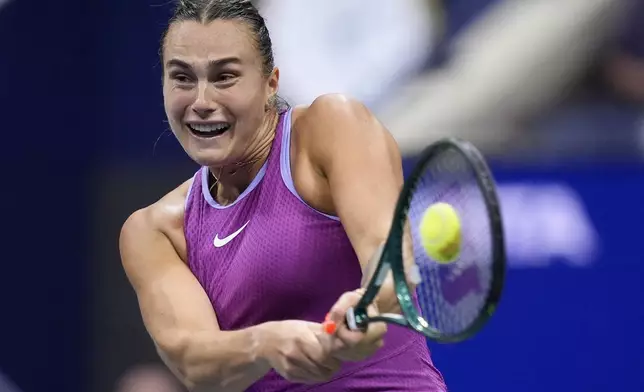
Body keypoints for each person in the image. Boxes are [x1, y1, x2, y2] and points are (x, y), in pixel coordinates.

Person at [119, 0, 446, 391]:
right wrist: (266, 343)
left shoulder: (333, 127)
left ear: (270, 83)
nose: (201, 102)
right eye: (183, 78)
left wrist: (370, 305)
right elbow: (194, 361)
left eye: (225, 77)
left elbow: (389, 260)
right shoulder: (155, 231)